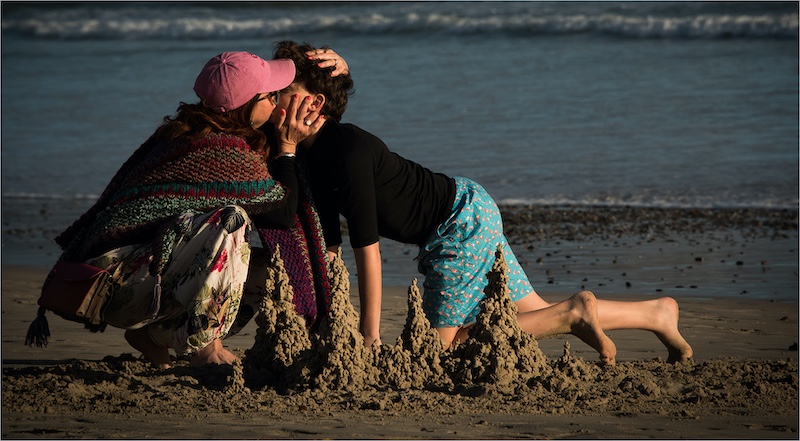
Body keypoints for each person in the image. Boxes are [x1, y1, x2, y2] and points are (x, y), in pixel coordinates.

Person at [271, 40, 694, 365]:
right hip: (469, 208)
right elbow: (329, 245)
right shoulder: (306, 156)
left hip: (457, 224)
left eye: (283, 91)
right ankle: (656, 314)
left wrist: (369, 335)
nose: (273, 98)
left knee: (441, 346)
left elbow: (368, 250)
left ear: (314, 103)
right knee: (533, 314)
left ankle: (573, 314)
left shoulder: (347, 151)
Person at [35, 49, 348, 369]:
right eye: (272, 95)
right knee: (231, 219)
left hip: (134, 275)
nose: (277, 102)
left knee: (269, 272)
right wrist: (288, 148)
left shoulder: (193, 130)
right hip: (115, 286)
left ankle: (157, 337)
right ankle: (203, 346)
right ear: (248, 105)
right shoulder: (224, 151)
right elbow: (281, 213)